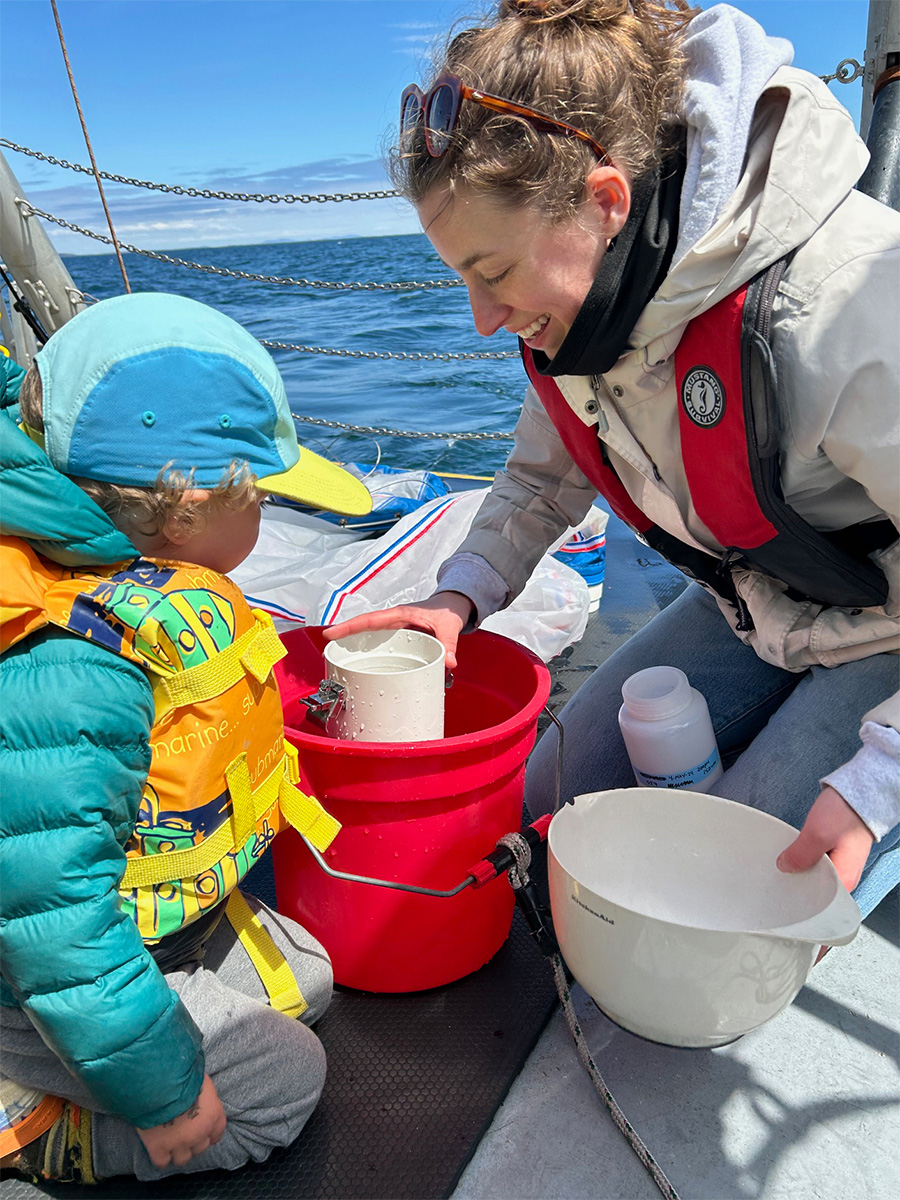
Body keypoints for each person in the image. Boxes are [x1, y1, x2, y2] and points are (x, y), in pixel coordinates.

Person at [324, 0, 900, 919]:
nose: (481, 319)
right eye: (462, 280)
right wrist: (456, 596)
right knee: (552, 808)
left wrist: (878, 781)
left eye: (494, 271)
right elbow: (539, 477)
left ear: (605, 203)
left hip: (890, 634)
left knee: (739, 904)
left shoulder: (848, 299)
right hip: (761, 604)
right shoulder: (590, 311)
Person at [0, 292, 372, 1183]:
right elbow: (53, 918)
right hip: (31, 965)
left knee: (306, 980)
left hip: (110, 925)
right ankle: (44, 1131)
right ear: (185, 520)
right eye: (263, 501)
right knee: (285, 1079)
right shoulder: (80, 664)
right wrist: (162, 1092)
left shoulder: (135, 571)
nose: (271, 519)